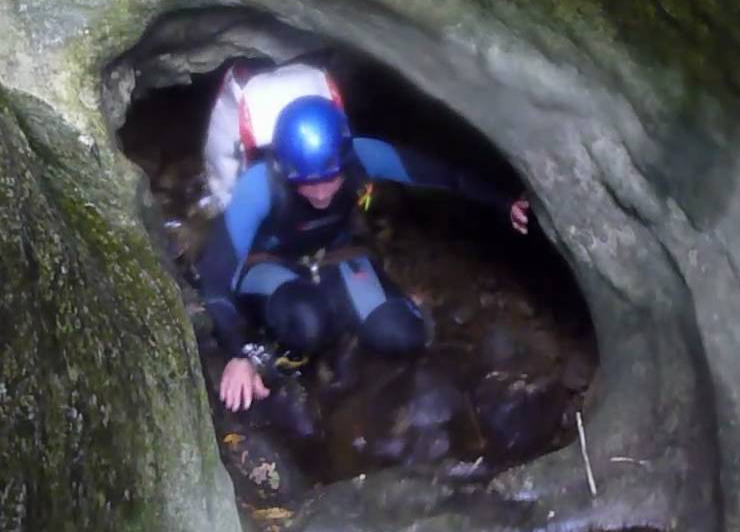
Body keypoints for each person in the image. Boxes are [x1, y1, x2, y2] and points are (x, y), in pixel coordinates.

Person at [195, 76, 530, 413]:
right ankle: (302, 326)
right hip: (270, 263)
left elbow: (441, 173)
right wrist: (239, 354)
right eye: (306, 183)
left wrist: (503, 201)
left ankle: (338, 308)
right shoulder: (259, 185)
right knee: (307, 324)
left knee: (403, 335)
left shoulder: (360, 155)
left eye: (331, 177)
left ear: (345, 158)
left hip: (334, 254)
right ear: (283, 169)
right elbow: (216, 278)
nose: (322, 194)